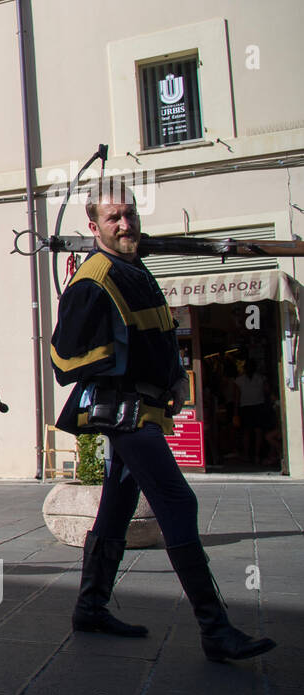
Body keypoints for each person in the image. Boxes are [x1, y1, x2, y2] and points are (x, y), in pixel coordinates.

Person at [50, 184, 275, 663]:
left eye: (129, 214)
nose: (126, 224)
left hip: (145, 407)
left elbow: (158, 335)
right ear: (94, 227)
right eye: (114, 218)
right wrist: (127, 373)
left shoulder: (135, 269)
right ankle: (214, 627)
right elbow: (64, 356)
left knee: (116, 507)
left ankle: (90, 607)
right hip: (125, 413)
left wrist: (172, 378)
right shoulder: (93, 277)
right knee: (176, 500)